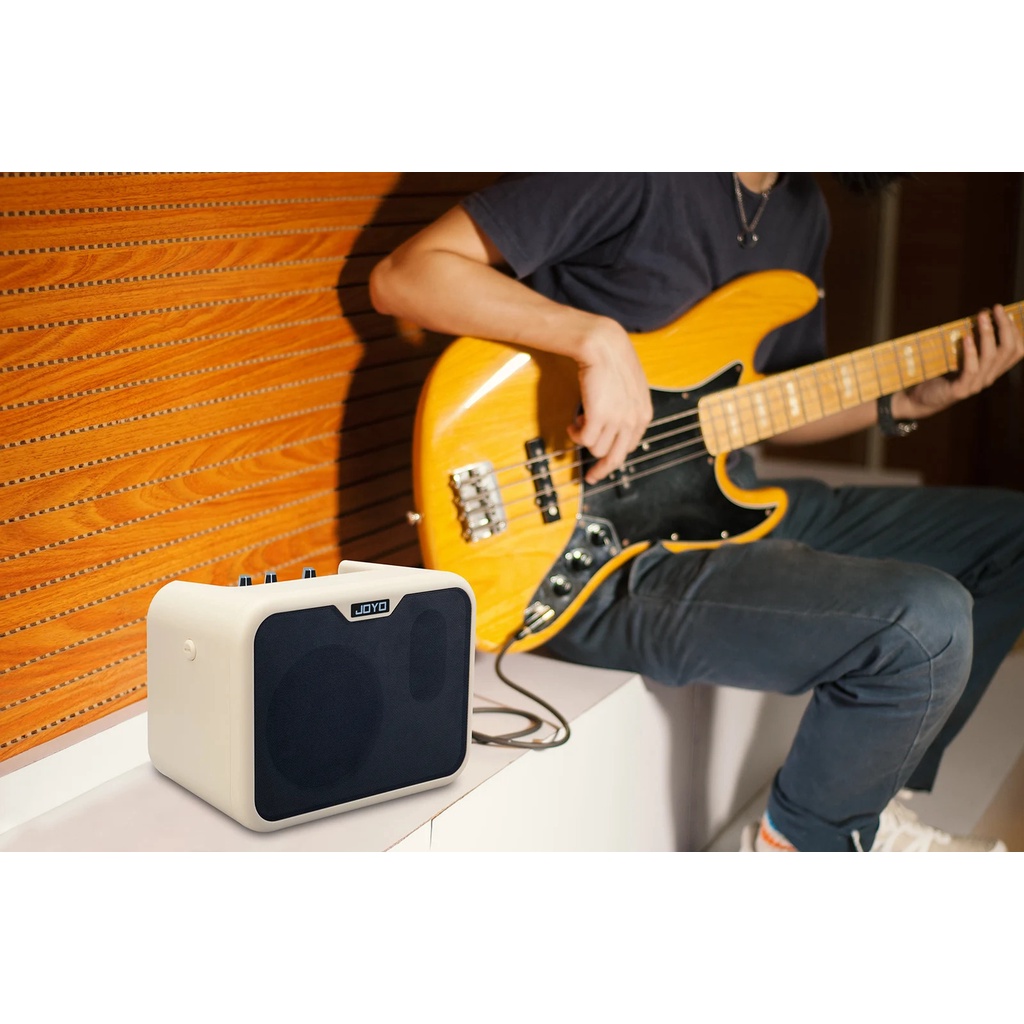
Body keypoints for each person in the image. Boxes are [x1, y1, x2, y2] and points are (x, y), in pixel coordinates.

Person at [369, 172, 1024, 852]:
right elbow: (406, 276)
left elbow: (768, 401)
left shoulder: (802, 209)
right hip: (600, 560)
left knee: (1012, 537)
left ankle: (869, 798)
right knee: (926, 620)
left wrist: (905, 402)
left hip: (724, 504)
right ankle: (803, 844)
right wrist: (593, 338)